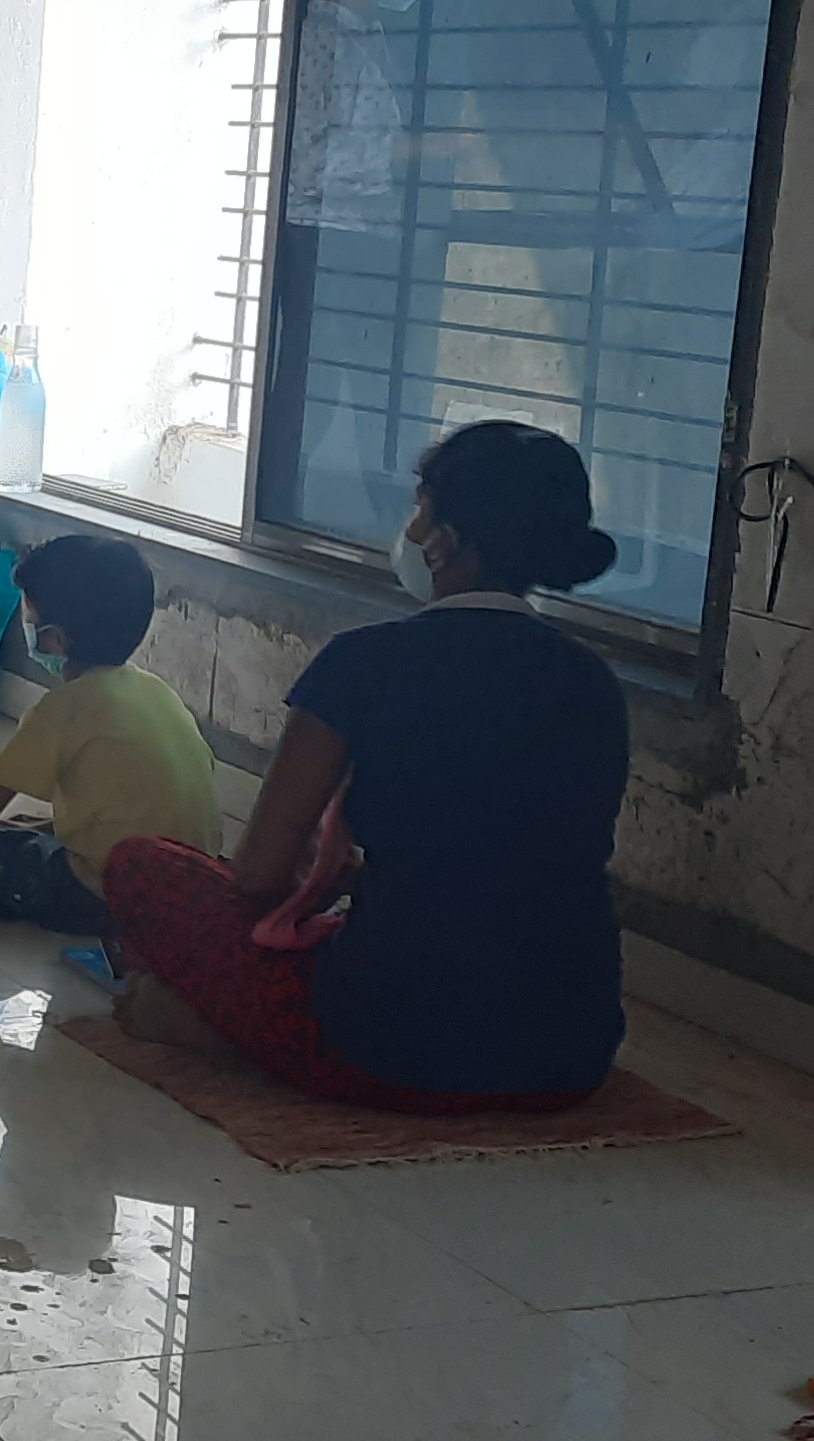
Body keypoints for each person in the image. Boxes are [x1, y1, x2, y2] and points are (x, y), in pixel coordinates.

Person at [104, 419, 629, 1111]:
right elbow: (517, 850)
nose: (411, 530)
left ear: (447, 539)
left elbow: (258, 874)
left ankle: (212, 1028)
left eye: (422, 509)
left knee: (141, 865)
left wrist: (321, 884)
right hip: (569, 1055)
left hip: (390, 1047)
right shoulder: (592, 682)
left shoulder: (362, 663)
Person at [0, 534, 219, 934]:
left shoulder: (61, 710)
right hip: (193, 890)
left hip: (104, 899)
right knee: (42, 834)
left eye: (29, 617)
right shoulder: (159, 693)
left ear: (55, 639)